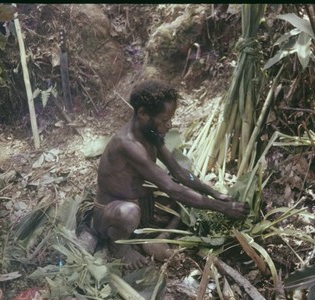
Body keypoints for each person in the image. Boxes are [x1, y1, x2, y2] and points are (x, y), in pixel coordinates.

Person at [81, 79, 250, 269]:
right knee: (131, 213)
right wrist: (221, 207)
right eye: (164, 119)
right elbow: (172, 188)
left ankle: (157, 239)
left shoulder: (151, 133)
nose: (169, 125)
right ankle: (118, 245)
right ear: (143, 113)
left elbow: (179, 172)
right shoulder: (127, 145)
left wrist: (212, 192)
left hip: (138, 201)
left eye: (170, 119)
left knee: (182, 205)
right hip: (111, 212)